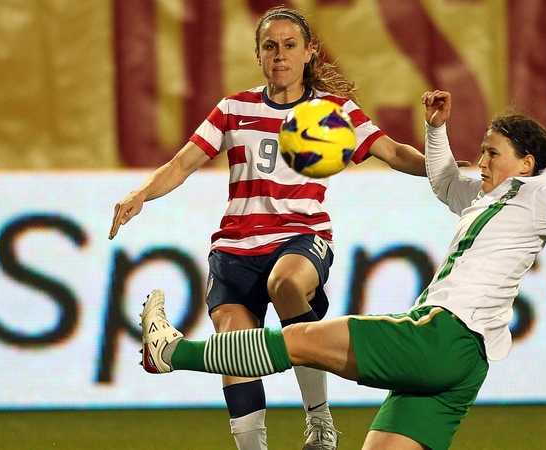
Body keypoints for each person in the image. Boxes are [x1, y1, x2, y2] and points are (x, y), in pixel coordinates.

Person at [135, 90, 546, 450]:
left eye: (493, 152)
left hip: (440, 337)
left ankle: (173, 354)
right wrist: (436, 130)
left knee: (300, 339)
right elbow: (444, 180)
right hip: (464, 365)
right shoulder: (483, 195)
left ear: (525, 162)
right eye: (483, 150)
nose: (483, 159)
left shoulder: (535, 194)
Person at [109, 7, 437, 450]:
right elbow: (183, 162)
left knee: (286, 284)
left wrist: (447, 169)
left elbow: (395, 153)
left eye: (289, 45)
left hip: (303, 238)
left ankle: (319, 421)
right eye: (270, 46)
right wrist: (140, 195)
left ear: (308, 53)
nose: (279, 55)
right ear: (258, 55)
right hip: (234, 251)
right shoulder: (233, 108)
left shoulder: (333, 112)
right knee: (235, 350)